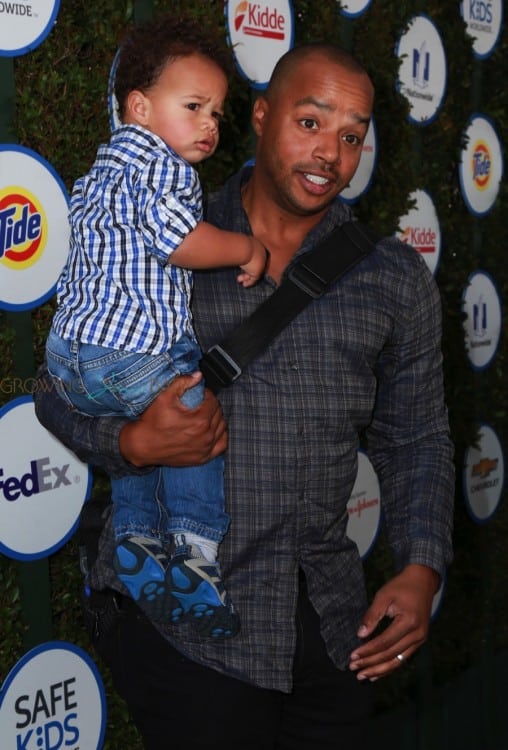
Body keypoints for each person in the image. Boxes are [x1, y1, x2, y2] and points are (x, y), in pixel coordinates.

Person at [35, 40, 454, 750]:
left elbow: (418, 437)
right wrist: (130, 442)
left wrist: (420, 568)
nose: (330, 154)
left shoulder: (392, 278)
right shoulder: (161, 230)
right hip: (187, 630)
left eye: (352, 136)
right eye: (311, 122)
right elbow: (59, 386)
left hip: (328, 621)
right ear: (260, 116)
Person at [44, 15, 267, 639]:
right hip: (130, 354)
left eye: (217, 113)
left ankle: (138, 544)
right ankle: (194, 557)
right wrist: (245, 250)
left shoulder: (101, 169)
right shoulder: (160, 166)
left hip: (72, 366)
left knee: (141, 448)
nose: (209, 125)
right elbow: (181, 242)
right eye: (194, 106)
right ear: (138, 108)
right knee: (193, 420)